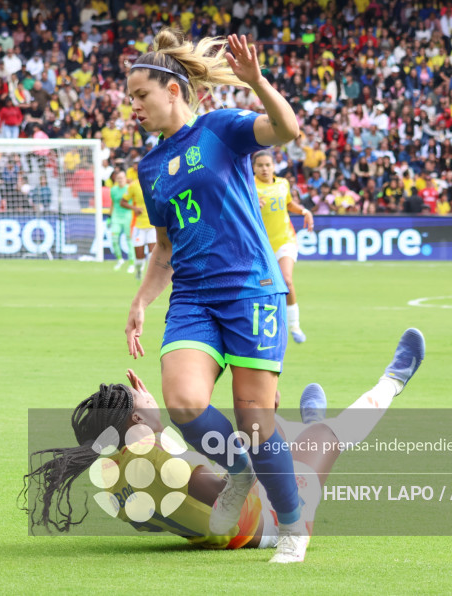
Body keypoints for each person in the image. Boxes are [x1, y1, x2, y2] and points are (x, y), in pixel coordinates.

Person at [124, 30, 306, 562]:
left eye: (141, 95)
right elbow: (164, 249)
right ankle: (240, 468)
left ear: (173, 90)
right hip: (194, 298)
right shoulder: (150, 168)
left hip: (249, 289)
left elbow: (287, 130)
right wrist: (141, 301)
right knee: (183, 401)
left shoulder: (220, 130)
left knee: (255, 422)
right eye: (130, 97)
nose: (133, 106)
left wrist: (256, 82)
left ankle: (292, 526)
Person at [21, 329, 425, 552]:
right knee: (322, 437)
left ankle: (294, 423)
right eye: (144, 398)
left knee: (254, 433)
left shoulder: (113, 477)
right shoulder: (163, 460)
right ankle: (393, 380)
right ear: (137, 417)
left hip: (223, 527)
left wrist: (154, 430)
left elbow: (156, 521)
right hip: (266, 524)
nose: (151, 394)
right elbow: (231, 487)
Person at [252, 150, 314, 343]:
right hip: (260, 246)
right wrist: (252, 204)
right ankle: (267, 324)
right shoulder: (248, 186)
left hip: (285, 239)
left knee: (286, 280)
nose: (264, 169)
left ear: (273, 166)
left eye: (268, 165)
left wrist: (304, 211)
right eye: (260, 165)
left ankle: (294, 324)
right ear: (253, 168)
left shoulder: (283, 184)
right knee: (264, 285)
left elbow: (288, 204)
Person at [125, 178, 156, 280]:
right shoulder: (133, 185)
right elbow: (123, 201)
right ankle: (138, 271)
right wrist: (134, 208)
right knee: (139, 255)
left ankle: (150, 277)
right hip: (139, 225)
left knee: (152, 254)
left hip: (152, 225)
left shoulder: (155, 182)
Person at [110, 170, 136, 272]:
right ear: (116, 179)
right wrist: (109, 216)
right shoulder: (113, 190)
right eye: (118, 178)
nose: (120, 180)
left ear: (125, 179)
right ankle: (120, 259)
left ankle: (131, 263)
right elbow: (113, 203)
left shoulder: (129, 188)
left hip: (127, 216)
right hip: (116, 216)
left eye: (122, 178)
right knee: (114, 239)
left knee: (129, 240)